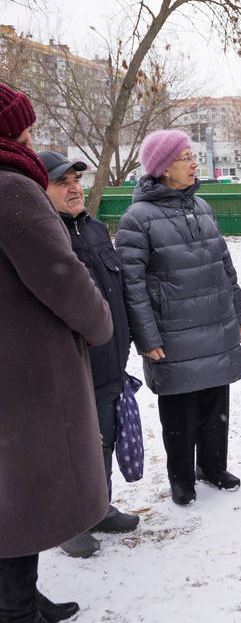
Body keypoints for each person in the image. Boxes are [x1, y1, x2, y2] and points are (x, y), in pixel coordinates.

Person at [0, 83, 112, 622]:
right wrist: (98, 323)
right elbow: (61, 275)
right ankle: (17, 608)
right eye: (23, 127)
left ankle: (25, 599)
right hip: (26, 372)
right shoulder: (12, 189)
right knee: (25, 493)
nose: (29, 137)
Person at [116, 129, 241, 507]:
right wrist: (147, 337)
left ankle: (212, 465)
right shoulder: (137, 218)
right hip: (172, 330)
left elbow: (225, 265)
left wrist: (238, 311)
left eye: (193, 156)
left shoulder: (201, 207)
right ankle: (182, 478)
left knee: (214, 398)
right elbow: (132, 285)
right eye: (185, 157)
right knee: (180, 407)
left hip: (216, 322)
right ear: (162, 168)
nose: (194, 163)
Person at [39, 151, 140, 559]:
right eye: (62, 183)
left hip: (111, 359)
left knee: (106, 437)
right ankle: (70, 522)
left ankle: (98, 508)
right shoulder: (45, 239)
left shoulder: (95, 230)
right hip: (72, 366)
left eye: (76, 180)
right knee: (73, 445)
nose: (75, 188)